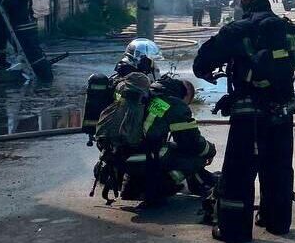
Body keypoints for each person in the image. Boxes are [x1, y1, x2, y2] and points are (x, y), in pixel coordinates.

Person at [192, 0, 295, 243]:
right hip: (282, 112)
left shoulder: (236, 30)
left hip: (247, 113)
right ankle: (277, 222)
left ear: (244, 3)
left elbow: (200, 63)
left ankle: (234, 231)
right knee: (278, 167)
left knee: (239, 171)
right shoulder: (287, 28)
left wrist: (211, 71)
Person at [91, 70, 216, 206]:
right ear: (184, 95)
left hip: (113, 156)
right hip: (141, 158)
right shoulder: (173, 104)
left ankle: (133, 188)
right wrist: (210, 151)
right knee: (194, 156)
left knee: (157, 148)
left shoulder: (143, 95)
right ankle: (160, 189)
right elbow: (192, 142)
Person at [5, 0, 53, 82]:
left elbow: (12, 4)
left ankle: (36, 71)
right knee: (32, 49)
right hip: (28, 24)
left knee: (27, 50)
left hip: (22, 25)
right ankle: (40, 69)